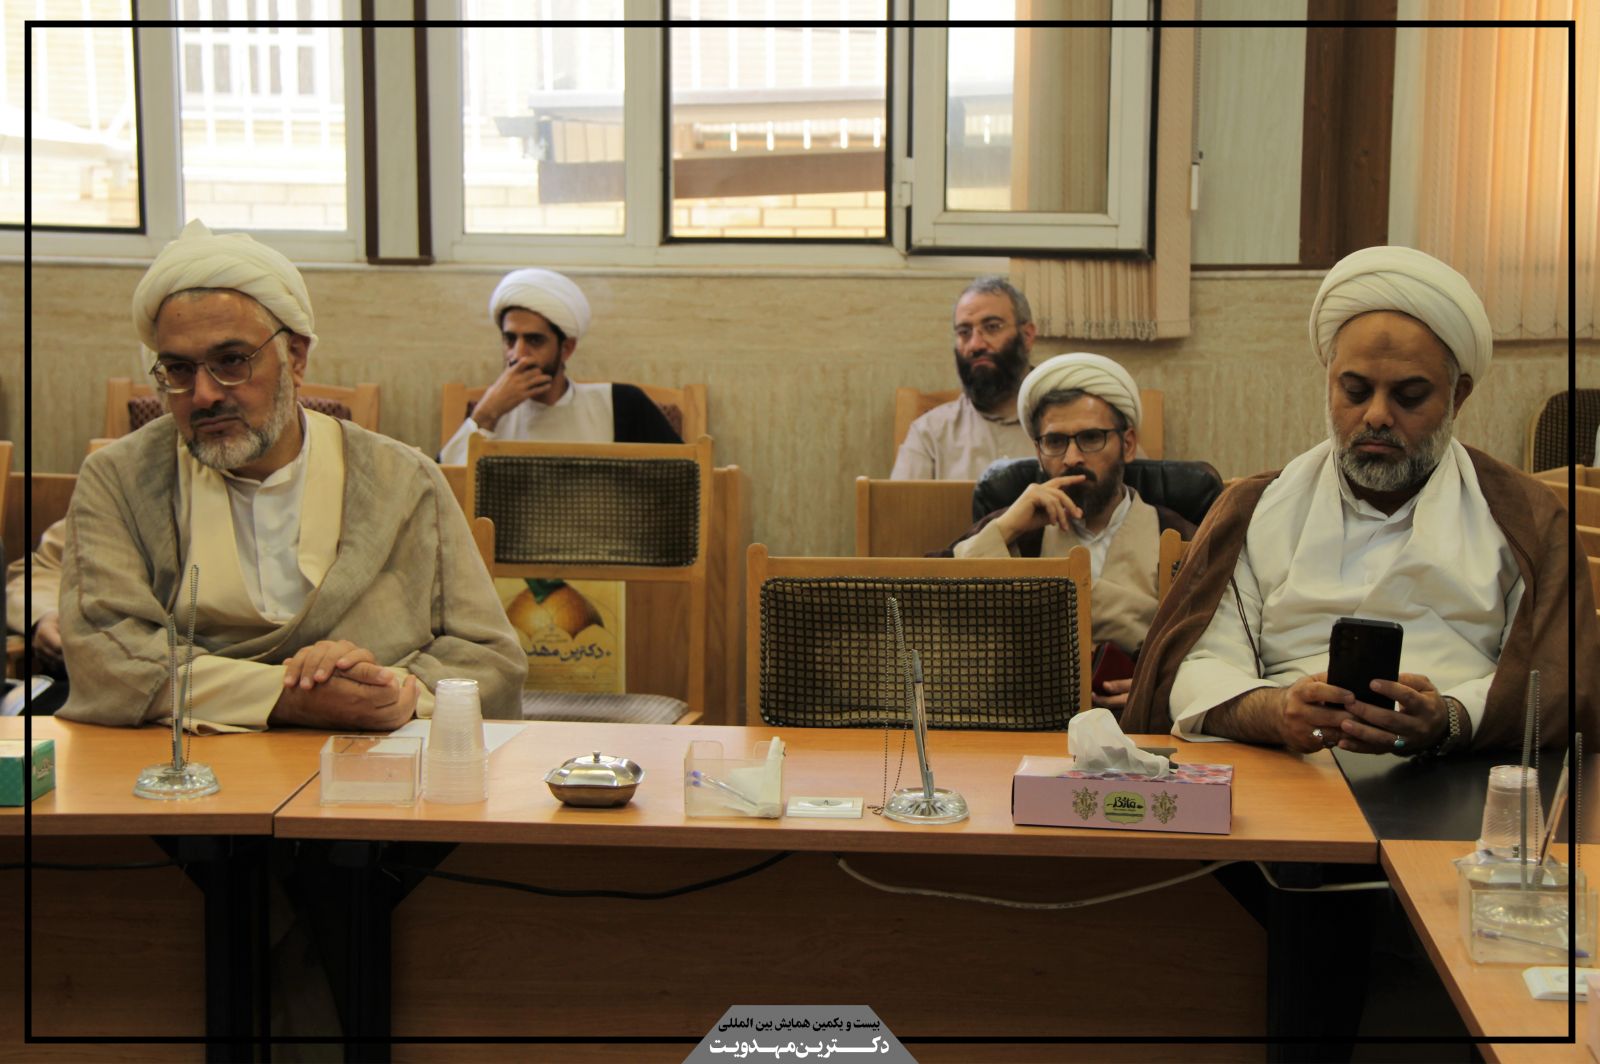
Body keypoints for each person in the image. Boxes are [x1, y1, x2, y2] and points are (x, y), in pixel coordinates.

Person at [1123, 246, 1597, 752]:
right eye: (1354, 391)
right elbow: (1199, 666)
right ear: (1329, 381)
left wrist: (1450, 718)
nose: (1376, 415)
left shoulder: (1524, 519)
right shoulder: (1256, 509)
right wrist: (1274, 711)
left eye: (1409, 396)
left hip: (1456, 772)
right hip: (1290, 767)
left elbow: (1555, 684)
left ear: (1458, 396)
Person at [57, 219, 525, 731]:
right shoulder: (118, 479)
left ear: (295, 357)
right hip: (184, 757)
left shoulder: (403, 479)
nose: (205, 395)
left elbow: (489, 657)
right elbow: (103, 655)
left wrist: (396, 693)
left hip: (370, 755)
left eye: (231, 361)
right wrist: (290, 698)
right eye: (179, 371)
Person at [946, 354, 1196, 705]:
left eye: (1091, 437)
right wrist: (1004, 529)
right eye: (1055, 441)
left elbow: (1217, 644)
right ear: (1038, 451)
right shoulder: (1018, 530)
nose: (1072, 457)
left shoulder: (1180, 536)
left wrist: (1163, 687)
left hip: (1140, 723)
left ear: (1127, 444)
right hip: (1028, 716)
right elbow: (936, 609)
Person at [438, 268, 681, 463]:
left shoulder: (621, 405)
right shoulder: (488, 415)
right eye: (510, 339)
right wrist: (486, 415)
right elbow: (442, 493)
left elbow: (687, 480)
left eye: (534, 340)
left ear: (567, 348)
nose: (518, 355)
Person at [890, 275, 1039, 480]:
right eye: (964, 332)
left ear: (1027, 336)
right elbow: (903, 501)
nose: (975, 345)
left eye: (992, 327)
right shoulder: (930, 434)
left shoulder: (1065, 424)